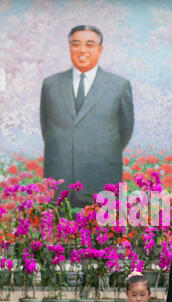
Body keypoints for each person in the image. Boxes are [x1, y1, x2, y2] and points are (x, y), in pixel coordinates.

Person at [40, 25, 134, 207]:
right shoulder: (50, 84)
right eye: (76, 44)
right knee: (56, 235)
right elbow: (47, 128)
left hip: (102, 178)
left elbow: (125, 129)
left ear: (100, 49)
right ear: (70, 48)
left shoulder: (119, 85)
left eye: (89, 44)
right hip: (59, 181)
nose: (82, 50)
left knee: (104, 235)